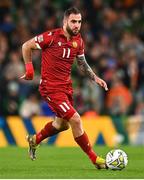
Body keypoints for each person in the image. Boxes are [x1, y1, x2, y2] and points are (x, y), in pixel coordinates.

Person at [20, 7, 108, 169]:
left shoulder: (78, 41)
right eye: (73, 21)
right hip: (50, 88)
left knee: (62, 125)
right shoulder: (51, 37)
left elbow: (82, 64)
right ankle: (94, 159)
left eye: (79, 22)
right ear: (65, 21)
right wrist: (30, 70)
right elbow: (26, 46)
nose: (77, 25)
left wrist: (95, 77)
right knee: (75, 119)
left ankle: (34, 140)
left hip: (66, 88)